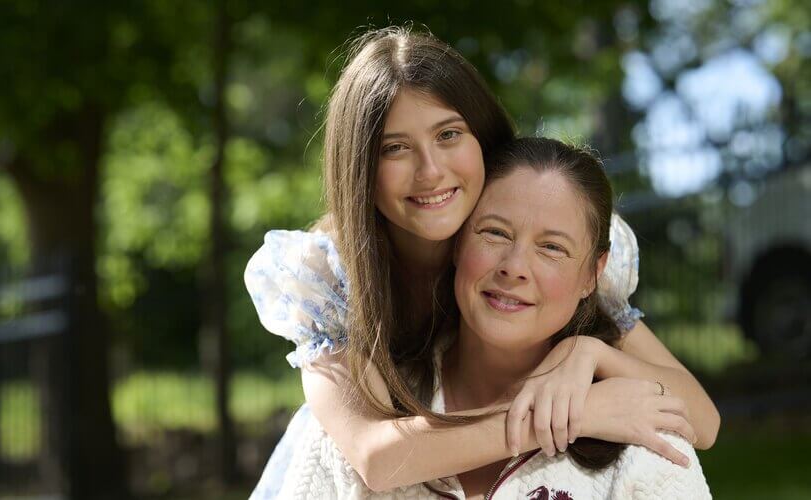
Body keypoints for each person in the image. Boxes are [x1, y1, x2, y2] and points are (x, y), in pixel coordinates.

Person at [245, 27, 719, 497]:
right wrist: (577, 412)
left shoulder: (526, 230)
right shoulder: (329, 274)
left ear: (482, 138)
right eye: (394, 148)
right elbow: (373, 456)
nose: (430, 172)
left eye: (449, 134)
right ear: (361, 170)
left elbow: (703, 420)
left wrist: (587, 353)